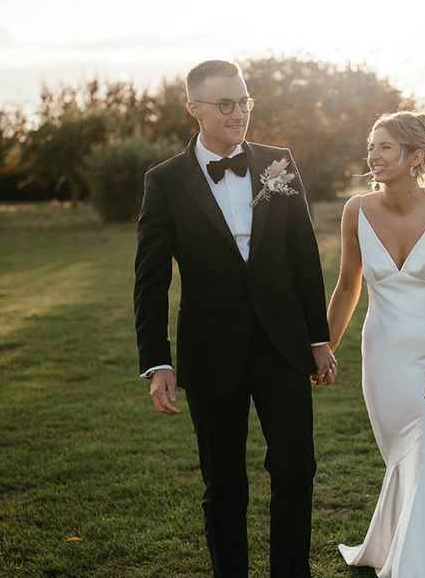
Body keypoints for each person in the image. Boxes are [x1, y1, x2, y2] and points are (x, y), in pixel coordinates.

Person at [133, 59, 337, 578]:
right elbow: (151, 280)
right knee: (223, 483)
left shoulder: (279, 163)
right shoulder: (165, 182)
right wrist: (157, 361)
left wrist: (318, 338)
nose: (238, 113)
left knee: (296, 467)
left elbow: (303, 257)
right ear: (193, 109)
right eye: (225, 104)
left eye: (244, 101)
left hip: (283, 345)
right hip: (211, 351)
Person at [327, 110, 425, 577]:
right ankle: (393, 547)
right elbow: (347, 285)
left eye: (384, 146)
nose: (373, 155)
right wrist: (325, 347)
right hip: (384, 359)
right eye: (371, 146)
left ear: (415, 157)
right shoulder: (356, 210)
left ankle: (421, 569)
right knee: (402, 457)